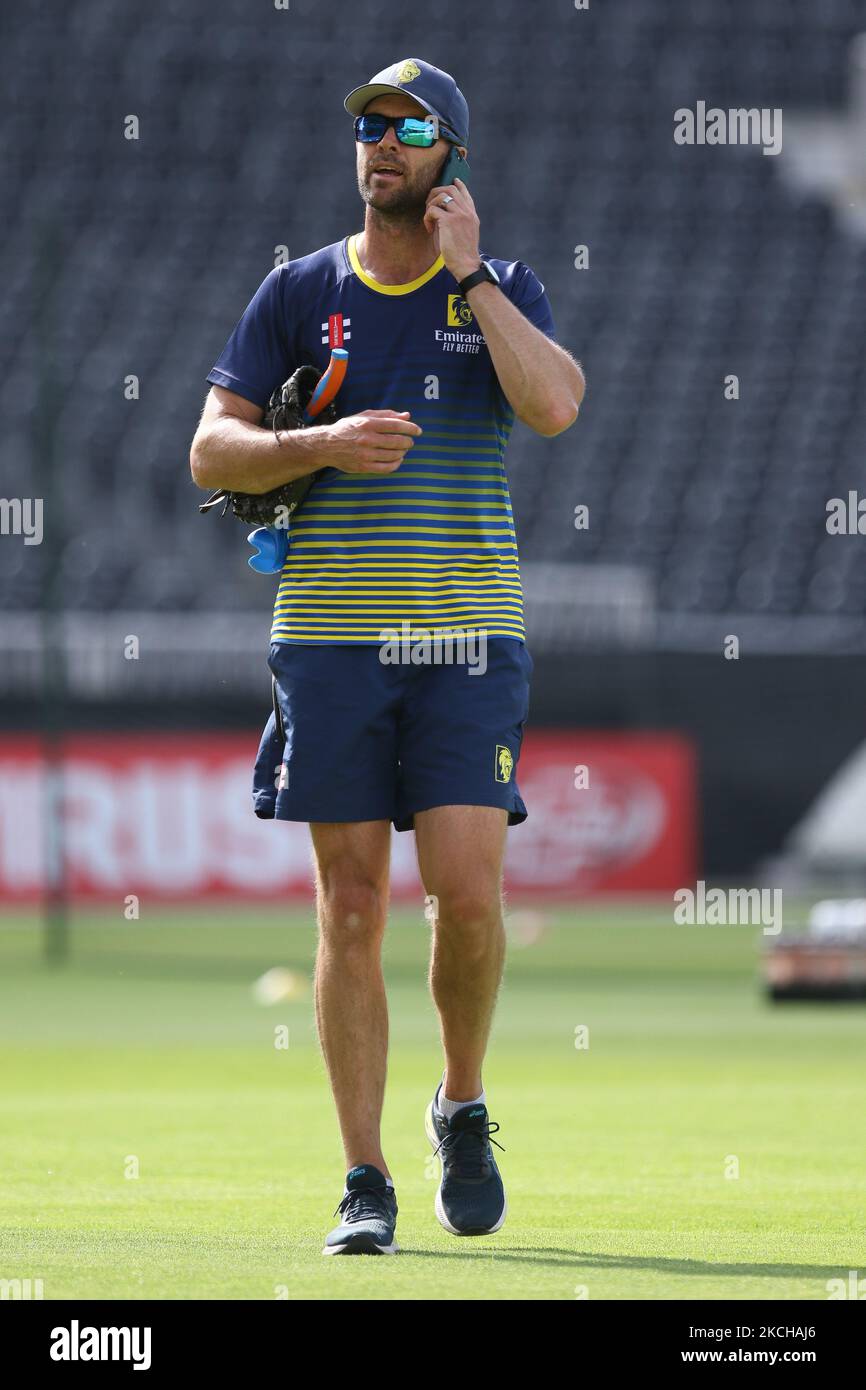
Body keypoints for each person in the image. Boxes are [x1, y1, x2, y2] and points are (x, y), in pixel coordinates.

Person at [190, 58, 584, 1255]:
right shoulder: (299, 291)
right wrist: (319, 441)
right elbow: (213, 451)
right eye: (367, 126)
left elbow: (556, 404)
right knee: (350, 909)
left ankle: (458, 1104)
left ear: (449, 158)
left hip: (467, 640)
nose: (381, 144)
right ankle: (363, 1179)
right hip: (328, 640)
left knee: (464, 903)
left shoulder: (497, 288)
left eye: (409, 127)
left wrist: (472, 274)